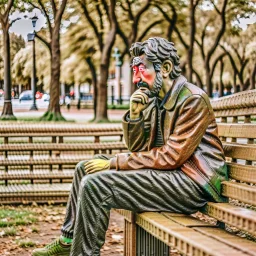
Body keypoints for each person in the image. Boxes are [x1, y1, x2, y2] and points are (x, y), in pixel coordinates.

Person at [32, 37, 227, 256]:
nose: (136, 79)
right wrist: (135, 115)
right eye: (134, 70)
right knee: (84, 169)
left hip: (192, 183)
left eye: (141, 69)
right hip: (170, 176)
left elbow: (172, 156)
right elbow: (138, 149)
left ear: (166, 68)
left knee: (96, 184)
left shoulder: (192, 100)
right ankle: (68, 241)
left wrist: (115, 163)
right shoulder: (157, 99)